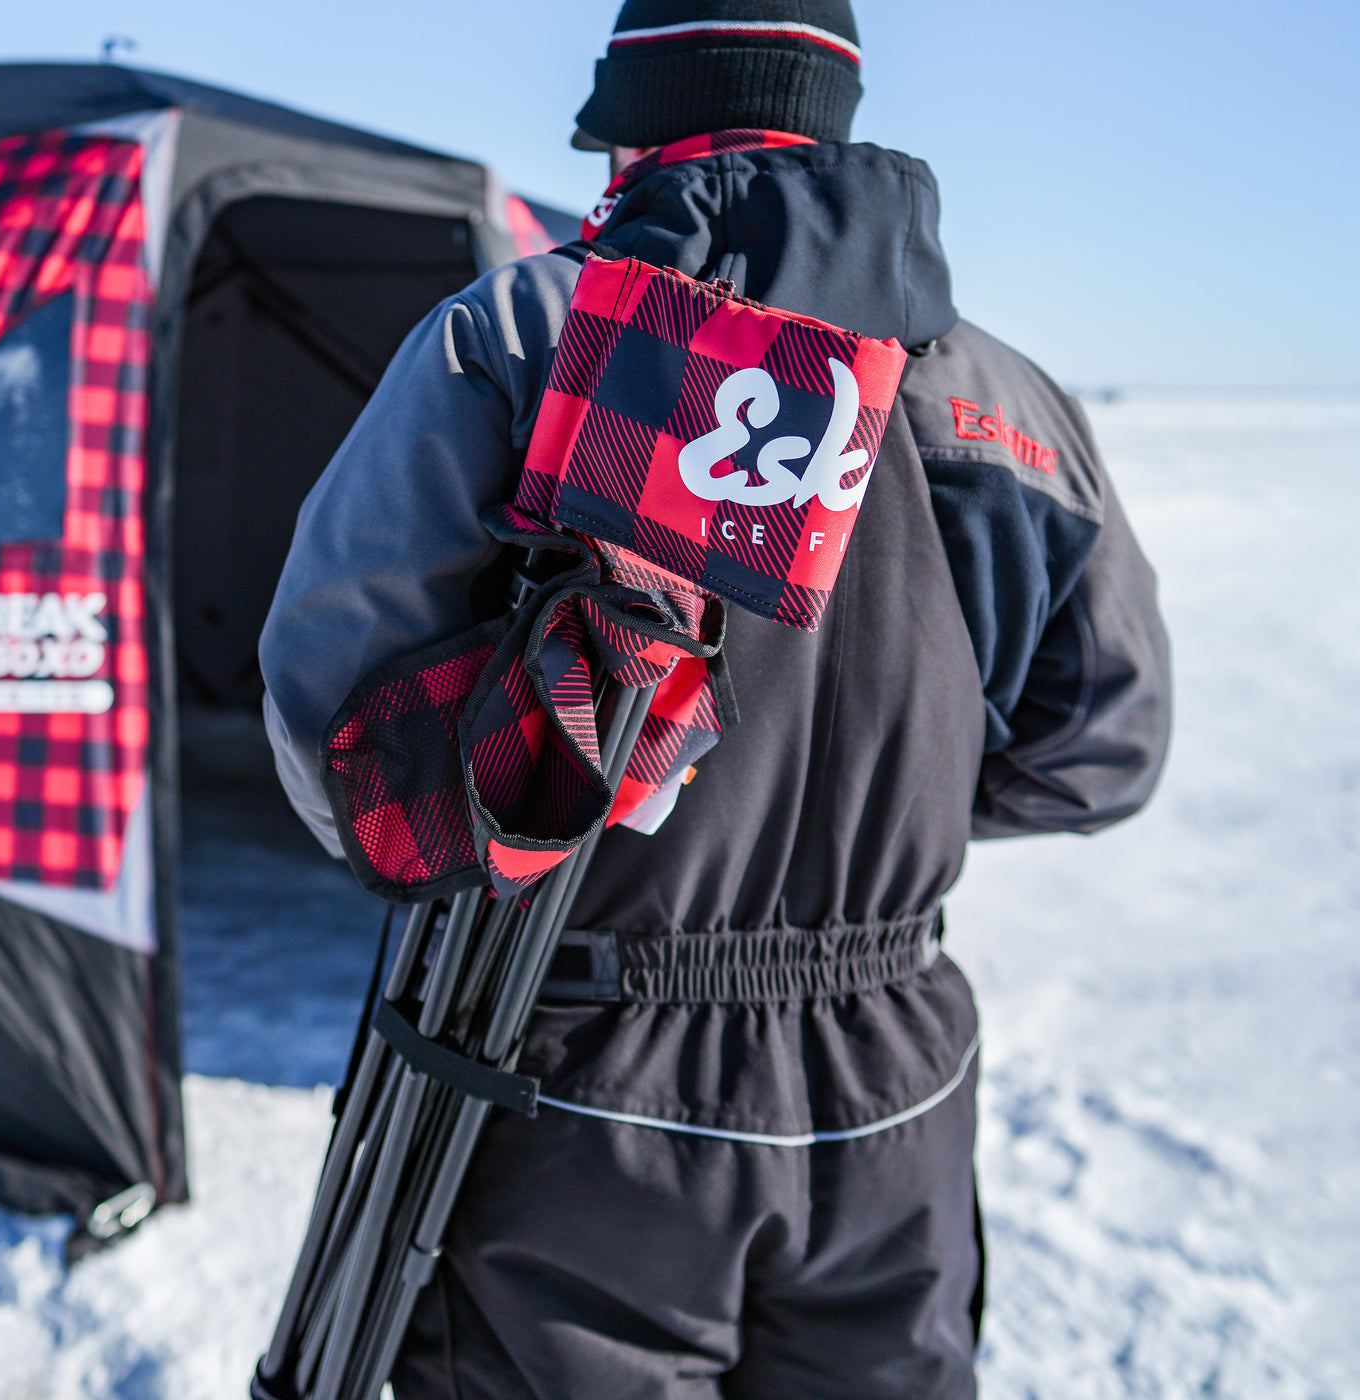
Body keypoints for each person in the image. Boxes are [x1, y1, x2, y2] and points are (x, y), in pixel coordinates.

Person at [259, 2, 1171, 1395]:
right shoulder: (1014, 403)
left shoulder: (521, 330)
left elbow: (342, 748)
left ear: (640, 120)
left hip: (571, 1070)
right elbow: (1102, 752)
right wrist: (888, 806)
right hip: (895, 1082)